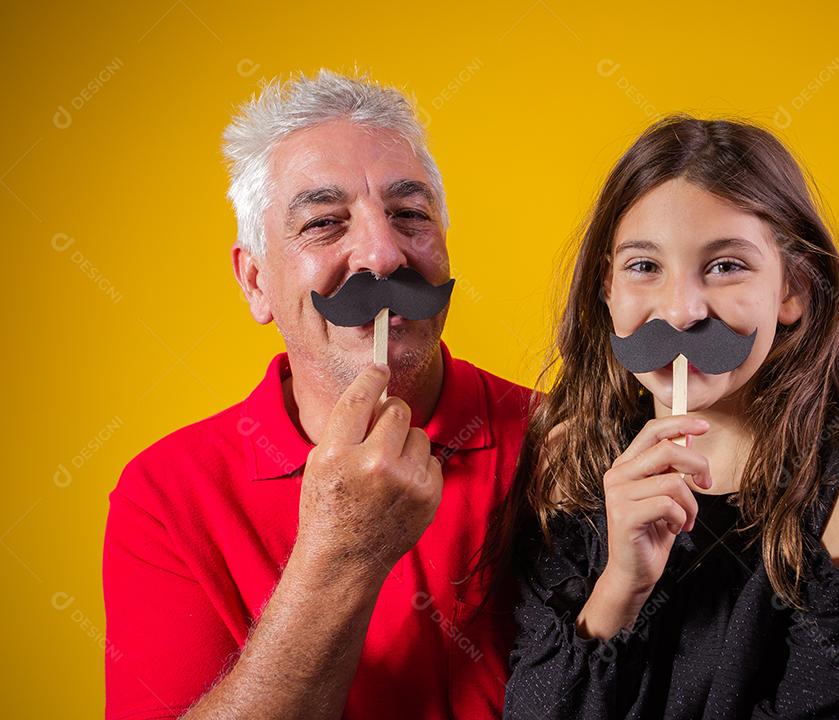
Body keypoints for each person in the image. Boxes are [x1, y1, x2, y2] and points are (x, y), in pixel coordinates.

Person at [499, 116, 839, 718]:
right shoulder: (566, 460)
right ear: (606, 289)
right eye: (643, 266)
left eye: (726, 266)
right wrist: (620, 586)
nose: (682, 311)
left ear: (792, 290)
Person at [103, 70, 531, 720]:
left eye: (410, 216)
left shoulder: (565, 440)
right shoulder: (165, 498)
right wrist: (343, 548)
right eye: (326, 223)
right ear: (255, 281)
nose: (383, 256)